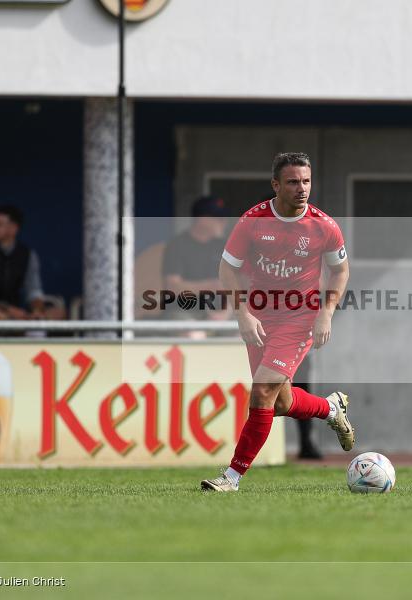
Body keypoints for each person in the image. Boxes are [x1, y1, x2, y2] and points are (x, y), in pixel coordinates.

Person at [201, 152, 352, 492]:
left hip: (300, 318)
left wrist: (326, 312)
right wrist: (242, 312)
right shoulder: (253, 221)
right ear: (275, 185)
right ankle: (331, 408)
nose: (302, 189)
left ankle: (232, 477)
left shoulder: (324, 226)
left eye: (307, 181)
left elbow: (341, 270)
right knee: (280, 402)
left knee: (263, 391)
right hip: (259, 317)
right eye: (293, 182)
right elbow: (228, 268)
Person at [0, 205, 64, 320]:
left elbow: (34, 291)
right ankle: (21, 327)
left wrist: (37, 310)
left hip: (19, 314)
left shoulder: (28, 254)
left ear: (13, 228)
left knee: (58, 312)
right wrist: (10, 311)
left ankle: (34, 331)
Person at [161, 195, 229, 321]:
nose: (223, 222)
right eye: (218, 218)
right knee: (195, 335)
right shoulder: (178, 245)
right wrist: (210, 285)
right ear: (201, 219)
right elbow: (172, 287)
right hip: (183, 311)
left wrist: (226, 313)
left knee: (242, 333)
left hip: (218, 312)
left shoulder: (224, 246)